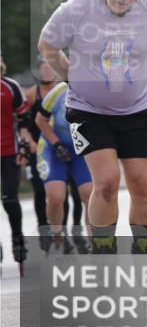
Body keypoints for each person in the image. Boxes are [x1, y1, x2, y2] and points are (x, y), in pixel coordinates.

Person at [37, 0, 147, 276]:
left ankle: (146, 259)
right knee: (108, 182)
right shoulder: (78, 7)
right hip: (89, 110)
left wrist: (140, 70)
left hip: (138, 109)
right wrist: (71, 76)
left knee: (142, 184)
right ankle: (104, 258)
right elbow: (47, 44)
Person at [35, 78, 94, 253]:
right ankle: (57, 236)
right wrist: (57, 144)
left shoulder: (98, 91)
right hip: (53, 147)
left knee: (90, 196)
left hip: (80, 149)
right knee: (56, 196)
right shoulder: (60, 90)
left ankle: (95, 241)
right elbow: (40, 120)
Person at [1, 58, 31, 273]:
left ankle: (18, 243)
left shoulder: (10, 86)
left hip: (9, 151)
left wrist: (23, 147)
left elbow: (24, 118)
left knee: (10, 200)